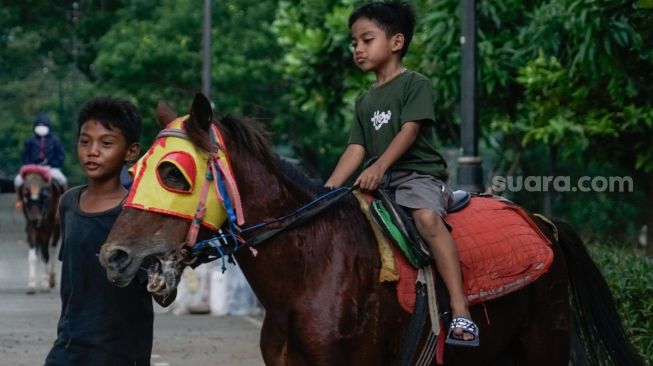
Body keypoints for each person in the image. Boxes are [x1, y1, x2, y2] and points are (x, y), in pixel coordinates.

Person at [324, 1, 479, 346]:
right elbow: (356, 149)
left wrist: (380, 166)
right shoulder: (364, 100)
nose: (358, 49)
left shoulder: (414, 83)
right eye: (354, 43)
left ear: (396, 42)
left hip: (418, 177)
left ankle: (461, 310)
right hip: (381, 183)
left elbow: (409, 132)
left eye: (366, 40)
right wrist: (328, 189)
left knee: (426, 220)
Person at [44, 97, 175, 365]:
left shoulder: (139, 214)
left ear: (131, 151)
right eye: (85, 141)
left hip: (122, 354)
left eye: (106, 143)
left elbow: (164, 296)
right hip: (69, 348)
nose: (92, 151)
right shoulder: (68, 203)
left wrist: (168, 268)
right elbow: (75, 279)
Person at [14, 112, 67, 208]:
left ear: (48, 126)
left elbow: (61, 156)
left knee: (62, 180)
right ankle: (20, 200)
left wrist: (51, 163)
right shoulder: (30, 141)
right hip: (32, 168)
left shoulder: (55, 141)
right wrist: (31, 164)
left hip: (51, 169)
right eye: (39, 125)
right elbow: (25, 156)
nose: (41, 127)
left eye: (43, 125)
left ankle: (64, 202)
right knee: (17, 180)